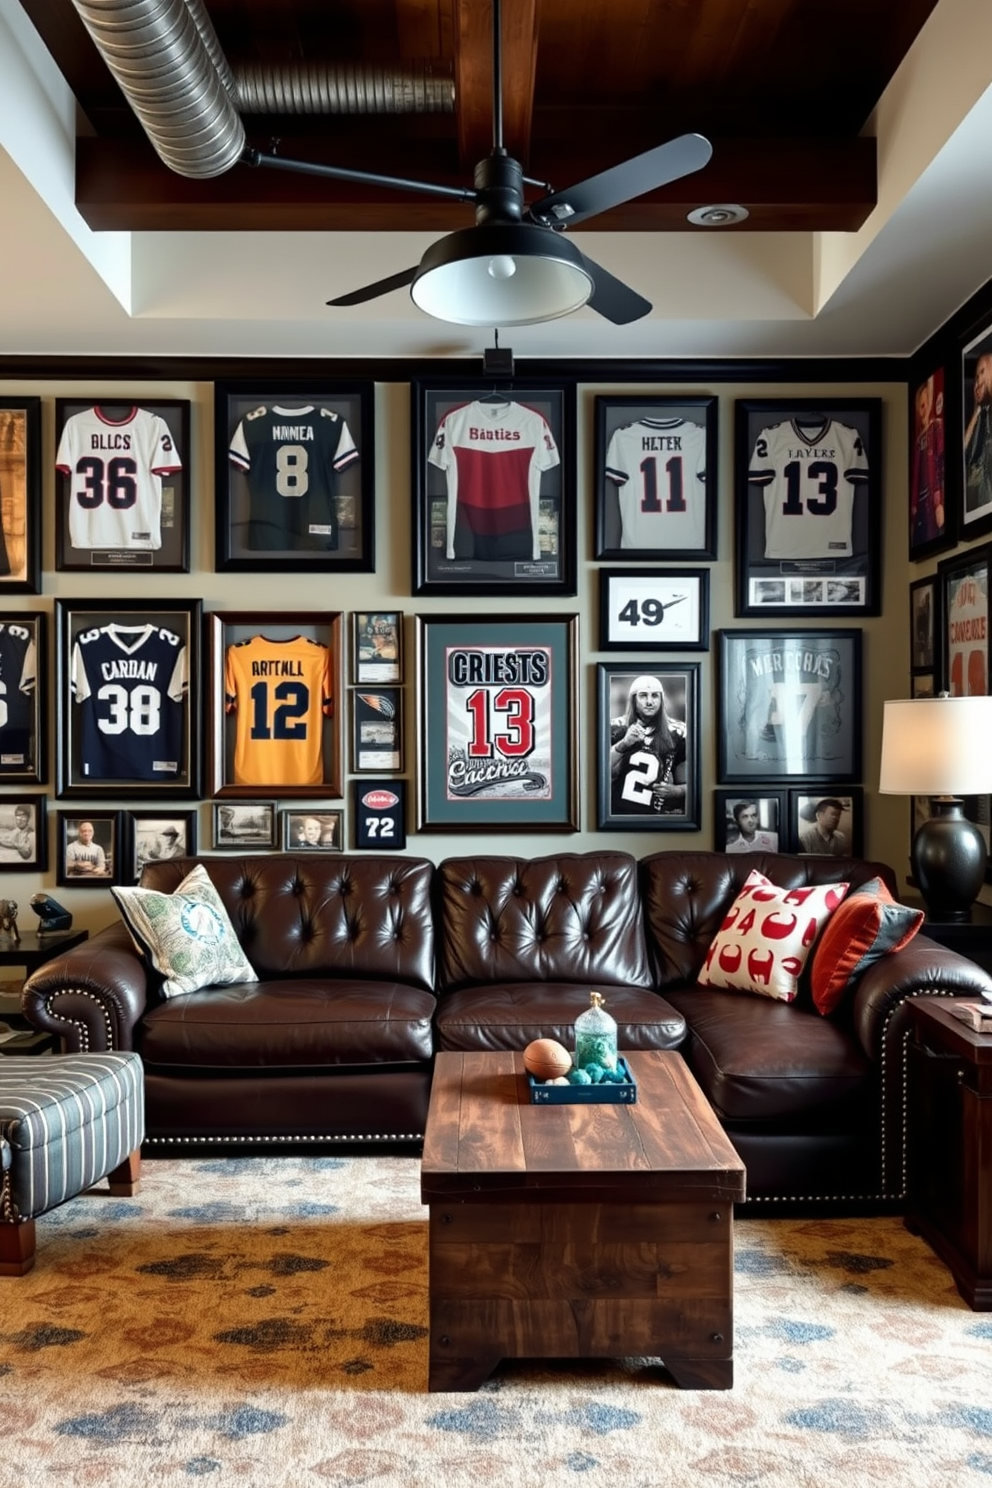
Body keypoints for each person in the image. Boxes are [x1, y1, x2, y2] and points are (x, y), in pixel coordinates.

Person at [609, 675, 687, 816]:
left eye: (655, 696)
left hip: (656, 816)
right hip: (615, 814)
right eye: (643, 696)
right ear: (633, 700)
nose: (649, 702)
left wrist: (677, 791)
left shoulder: (679, 732)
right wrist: (623, 744)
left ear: (662, 700)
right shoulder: (613, 728)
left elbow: (690, 783)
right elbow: (593, 774)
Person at [911, 375, 945, 546]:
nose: (923, 411)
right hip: (920, 507)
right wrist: (913, 506)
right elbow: (915, 477)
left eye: (925, 406)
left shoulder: (937, 427)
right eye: (920, 408)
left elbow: (942, 465)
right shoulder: (918, 441)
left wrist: (940, 503)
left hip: (933, 501)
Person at [964, 352, 992, 514]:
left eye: (982, 372)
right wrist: (977, 409)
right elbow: (964, 449)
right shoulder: (982, 414)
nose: (978, 381)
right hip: (980, 496)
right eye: (976, 376)